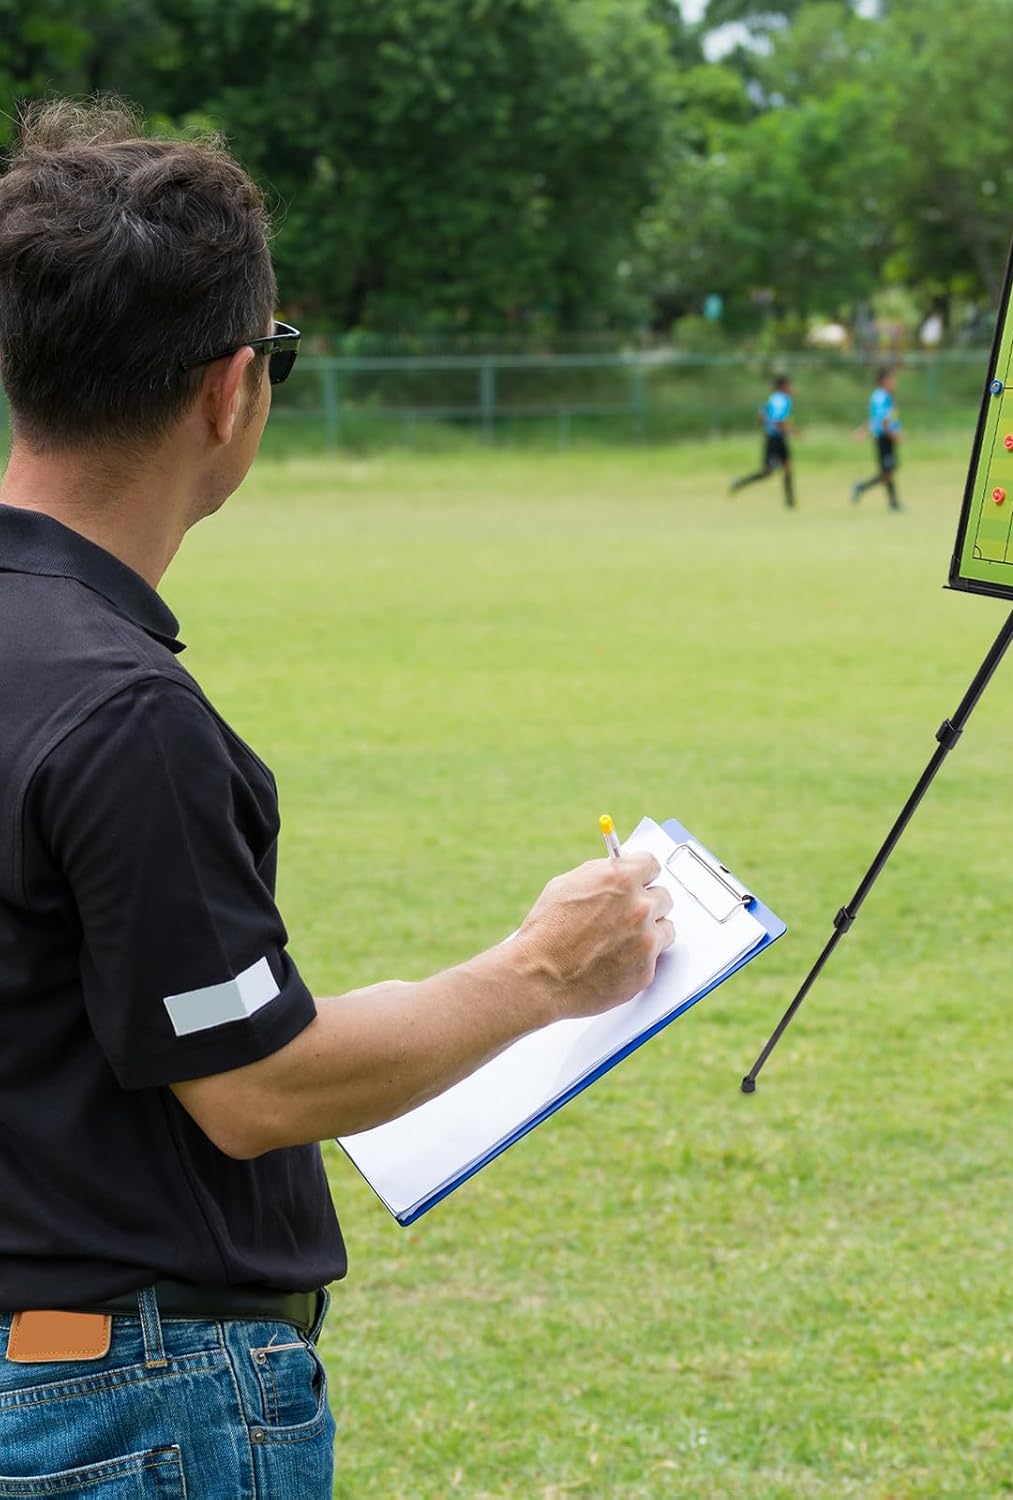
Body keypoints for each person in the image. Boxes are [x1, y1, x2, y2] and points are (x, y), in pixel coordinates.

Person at [0, 101, 674, 1496]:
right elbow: (256, 1089)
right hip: (126, 1409)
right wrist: (545, 970)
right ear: (230, 388)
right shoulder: (123, 712)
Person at [728, 374, 796, 508]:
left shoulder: (774, 398)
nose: (792, 388)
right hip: (775, 439)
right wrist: (791, 430)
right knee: (768, 472)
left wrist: (775, 425)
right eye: (790, 385)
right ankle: (738, 482)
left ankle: (790, 502)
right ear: (783, 387)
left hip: (776, 437)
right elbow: (778, 420)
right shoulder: (782, 400)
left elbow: (762, 415)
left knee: (787, 467)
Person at [850, 366, 904, 512]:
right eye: (891, 379)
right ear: (884, 380)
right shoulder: (881, 397)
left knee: (888, 471)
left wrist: (862, 430)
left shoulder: (884, 396)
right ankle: (863, 488)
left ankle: (891, 502)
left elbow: (876, 418)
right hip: (884, 438)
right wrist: (894, 435)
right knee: (887, 472)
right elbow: (883, 420)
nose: (894, 382)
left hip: (886, 437)